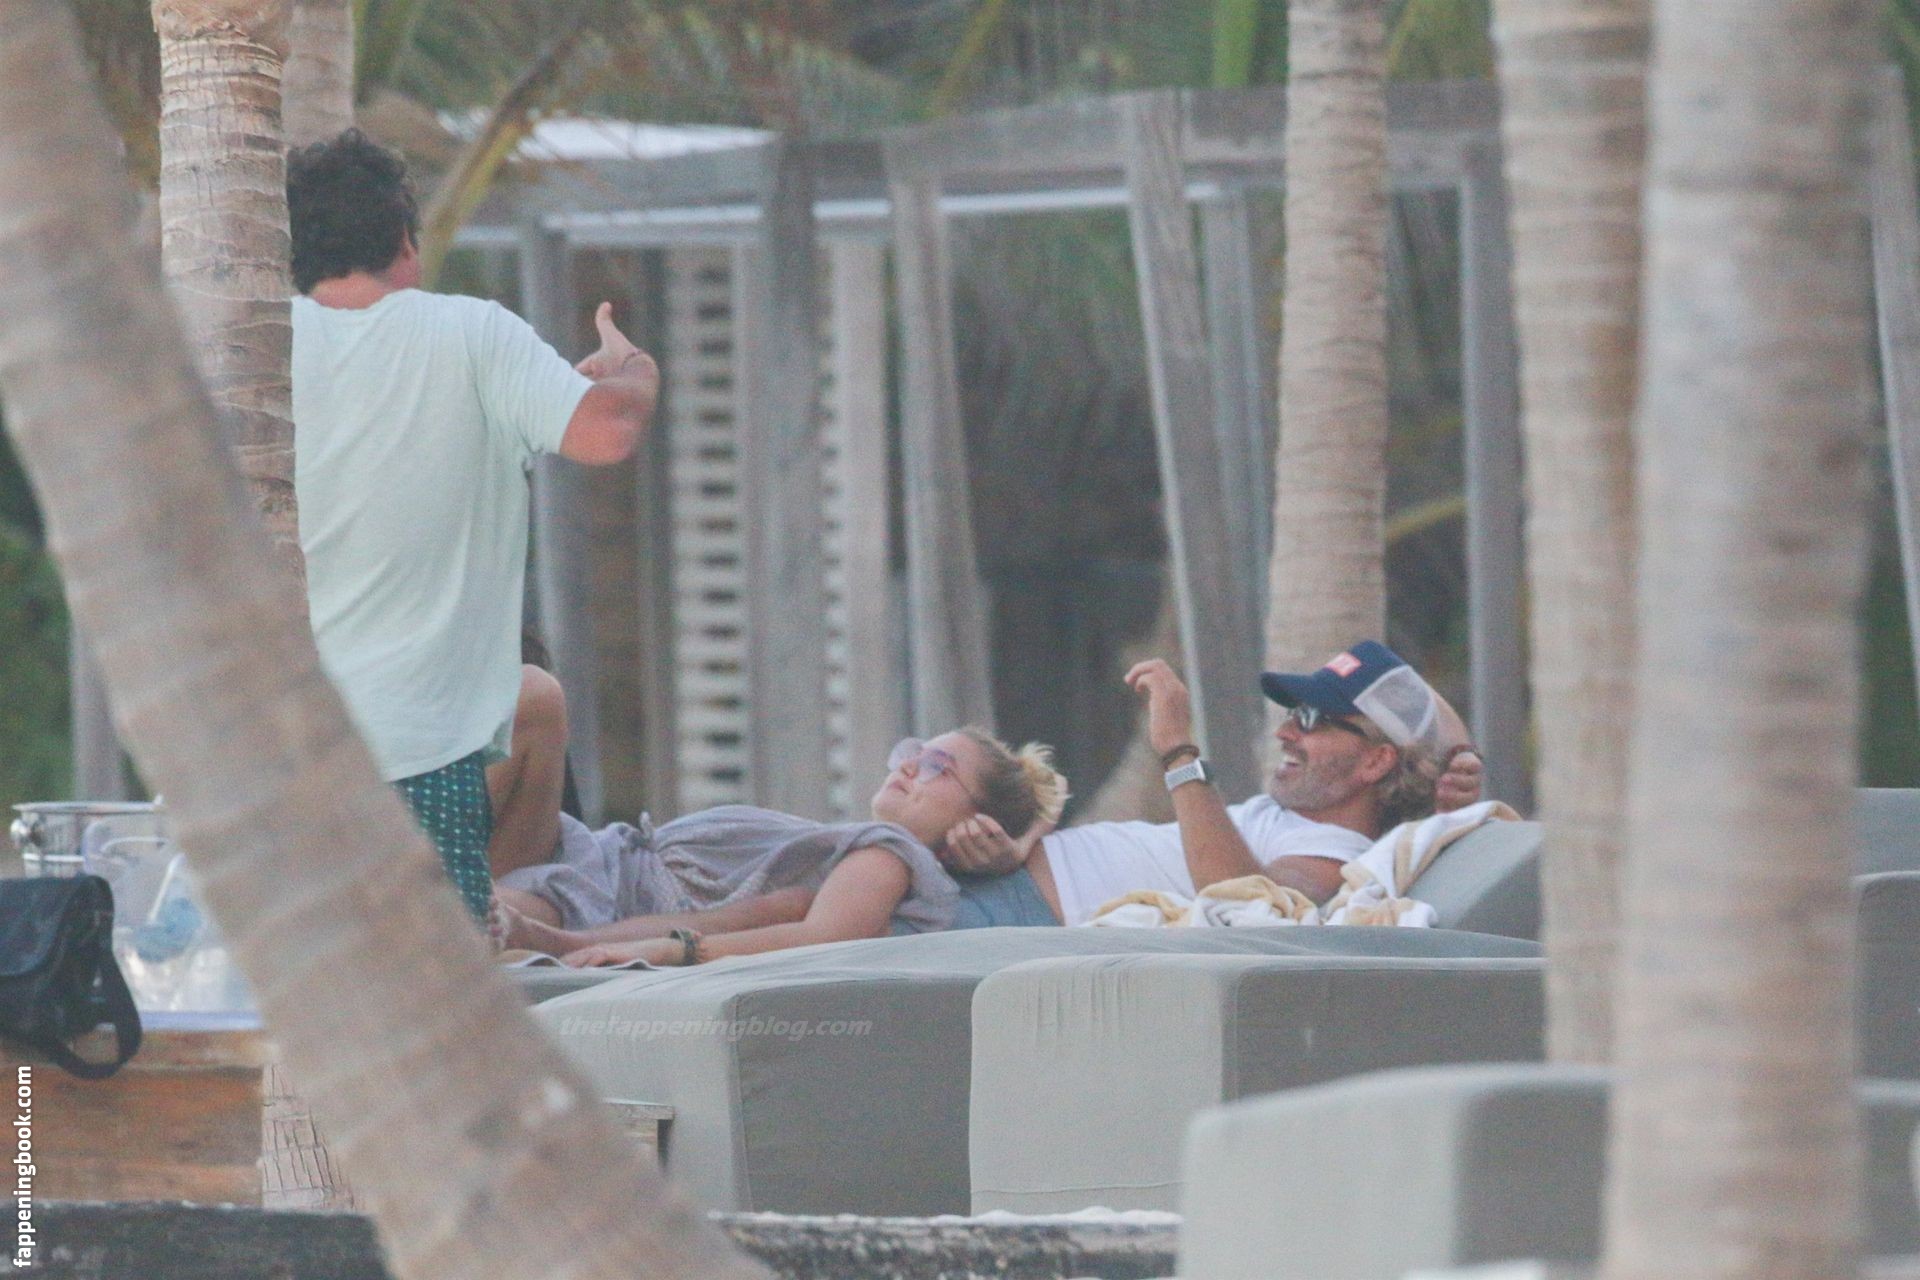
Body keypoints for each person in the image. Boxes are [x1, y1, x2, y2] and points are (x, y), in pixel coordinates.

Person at [288, 129, 660, 922]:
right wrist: (634, 371)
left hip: (279, 760)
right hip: (426, 754)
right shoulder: (470, 333)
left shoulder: (258, 344)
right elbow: (609, 431)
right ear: (404, 240)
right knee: (441, 975)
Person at [941, 641, 1484, 928]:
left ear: (1376, 762)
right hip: (998, 883)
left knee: (896, 842)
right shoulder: (1289, 817)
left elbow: (1246, 901)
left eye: (1312, 720)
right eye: (1293, 713)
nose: (1286, 732)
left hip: (1015, 916)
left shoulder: (1333, 853)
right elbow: (1428, 718)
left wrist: (1180, 752)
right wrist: (1457, 753)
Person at [492, 729, 1071, 966]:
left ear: (976, 822)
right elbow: (760, 917)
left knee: (536, 697)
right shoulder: (845, 862)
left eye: (938, 766)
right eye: (913, 752)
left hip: (588, 889)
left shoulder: (891, 855)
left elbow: (823, 940)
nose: (910, 767)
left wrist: (666, 952)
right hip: (588, 874)